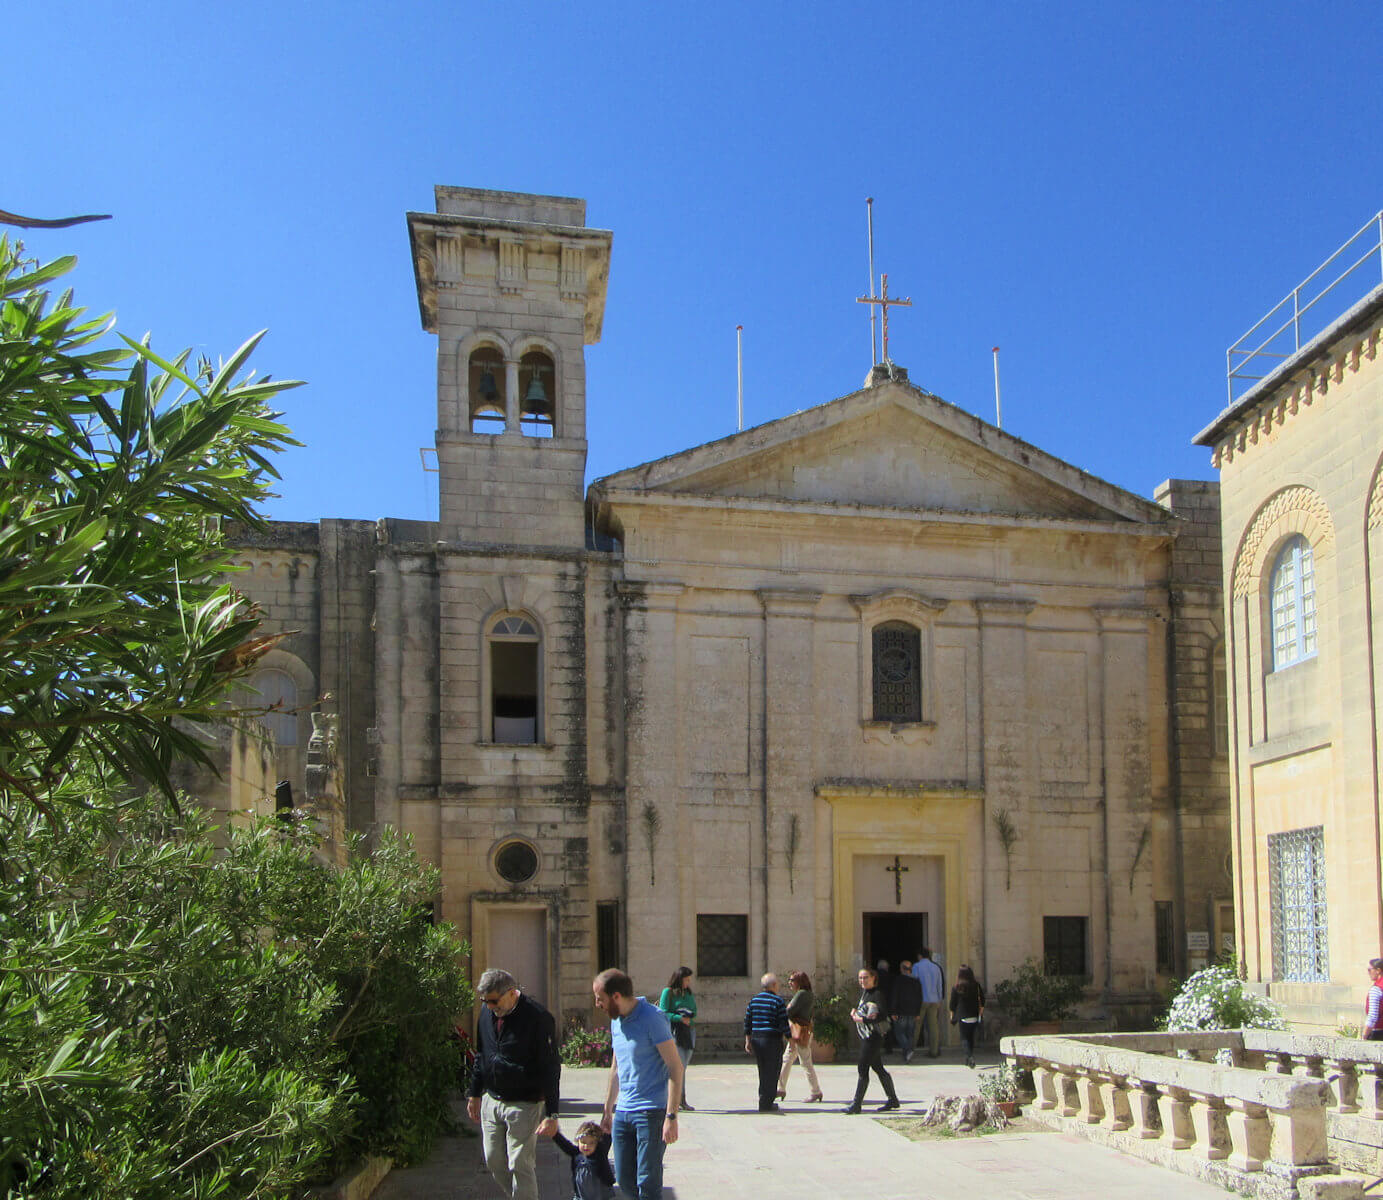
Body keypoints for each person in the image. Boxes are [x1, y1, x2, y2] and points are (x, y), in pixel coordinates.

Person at [467, 968, 561, 1200]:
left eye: (494, 1001)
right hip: (492, 1098)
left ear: (511, 993)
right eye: (485, 1001)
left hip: (525, 1102)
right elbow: (482, 1054)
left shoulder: (538, 1018)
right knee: (493, 1160)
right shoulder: (487, 1013)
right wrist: (475, 1093)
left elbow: (550, 1067)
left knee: (520, 1162)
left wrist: (552, 1112)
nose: (490, 1006)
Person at [593, 968, 683, 1200]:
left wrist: (671, 1117)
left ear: (616, 996)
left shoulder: (652, 1017)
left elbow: (675, 1066)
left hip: (651, 1112)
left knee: (648, 1181)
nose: (597, 1004)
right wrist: (607, 1109)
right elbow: (616, 1068)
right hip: (623, 1112)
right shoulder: (616, 1022)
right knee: (623, 1178)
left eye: (600, 998)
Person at [843, 966, 900, 1114]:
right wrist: (856, 1013)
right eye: (860, 978)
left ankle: (856, 1104)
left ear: (874, 978)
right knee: (878, 1068)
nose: (862, 980)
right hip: (867, 1036)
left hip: (873, 1037)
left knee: (862, 1068)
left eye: (865, 977)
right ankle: (893, 1100)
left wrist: (861, 1019)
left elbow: (882, 1015)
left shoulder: (877, 994)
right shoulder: (865, 994)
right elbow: (866, 1010)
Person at [743, 972, 790, 1112]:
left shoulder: (754, 1000)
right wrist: (790, 1039)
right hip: (772, 1039)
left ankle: (764, 1098)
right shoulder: (778, 1001)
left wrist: (748, 1041)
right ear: (774, 985)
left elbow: (748, 1022)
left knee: (762, 1070)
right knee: (773, 1071)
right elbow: (783, 1023)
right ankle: (766, 1102)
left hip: (757, 1039)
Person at [776, 969, 824, 1102]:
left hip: (799, 1032)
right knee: (787, 1058)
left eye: (792, 980)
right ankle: (780, 1088)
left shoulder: (802, 994)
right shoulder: (807, 994)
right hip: (800, 1031)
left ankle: (816, 1091)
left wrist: (786, 1009)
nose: (789, 983)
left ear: (799, 981)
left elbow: (789, 1011)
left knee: (805, 1061)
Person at [656, 967, 697, 1111]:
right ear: (679, 979)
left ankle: (682, 1098)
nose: (688, 982)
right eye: (686, 979)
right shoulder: (668, 993)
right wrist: (679, 1018)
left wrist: (689, 1019)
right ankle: (672, 1099)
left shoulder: (688, 993)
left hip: (688, 1031)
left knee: (683, 1067)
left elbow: (694, 1010)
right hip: (674, 1032)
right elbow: (663, 1012)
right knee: (676, 1067)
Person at [549, 1120, 616, 1200]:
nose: (586, 1146)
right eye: (583, 1142)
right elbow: (565, 1145)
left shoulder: (599, 1155)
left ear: (597, 1144)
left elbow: (605, 1143)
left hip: (600, 1195)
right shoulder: (577, 1154)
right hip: (580, 1196)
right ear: (578, 1142)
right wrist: (555, 1134)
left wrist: (607, 1134)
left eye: (591, 1143)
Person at [949, 963, 985, 1068]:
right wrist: (980, 1012)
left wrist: (952, 1015)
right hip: (974, 1015)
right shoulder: (976, 986)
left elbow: (952, 1004)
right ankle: (968, 1058)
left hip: (963, 1016)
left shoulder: (957, 987)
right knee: (971, 1038)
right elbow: (982, 1000)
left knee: (964, 1038)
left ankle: (969, 1056)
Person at [912, 948, 946, 1057]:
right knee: (933, 1026)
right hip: (934, 1000)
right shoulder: (936, 967)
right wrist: (940, 999)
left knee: (916, 1026)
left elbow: (914, 983)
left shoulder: (916, 966)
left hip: (921, 1000)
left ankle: (911, 1050)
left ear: (920, 956)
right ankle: (934, 1051)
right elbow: (939, 985)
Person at [892, 959, 922, 1062]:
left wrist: (893, 1011)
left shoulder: (898, 980)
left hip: (901, 1011)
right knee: (910, 1033)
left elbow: (895, 996)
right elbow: (919, 997)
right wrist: (918, 1012)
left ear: (901, 969)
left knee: (899, 1033)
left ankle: (907, 1050)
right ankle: (907, 1053)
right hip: (913, 1011)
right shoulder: (916, 981)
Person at [1364, 958, 1383, 1039]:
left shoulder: (1376, 989)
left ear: (1378, 970)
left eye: (1369, 970)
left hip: (1378, 1033)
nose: (1368, 973)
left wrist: (1364, 1035)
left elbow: (1372, 1016)